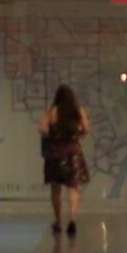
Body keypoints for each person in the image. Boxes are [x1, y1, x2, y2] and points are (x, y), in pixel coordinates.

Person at [41, 84, 92, 242]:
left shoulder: (53, 112)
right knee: (73, 188)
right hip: (73, 154)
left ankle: (58, 222)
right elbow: (86, 129)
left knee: (56, 190)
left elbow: (42, 129)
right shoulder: (77, 111)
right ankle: (73, 219)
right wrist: (77, 135)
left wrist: (52, 136)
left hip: (55, 154)